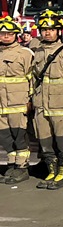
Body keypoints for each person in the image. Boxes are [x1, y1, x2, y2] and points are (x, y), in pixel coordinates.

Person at [31, 10, 63, 189]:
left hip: (62, 104)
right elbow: (32, 78)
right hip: (41, 105)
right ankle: (52, 169)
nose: (47, 32)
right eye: (44, 29)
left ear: (59, 31)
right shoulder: (36, 51)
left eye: (52, 29)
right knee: (44, 139)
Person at [0, 17, 34, 184]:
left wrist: (30, 100)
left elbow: (32, 79)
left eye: (9, 34)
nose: (5, 36)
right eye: (2, 34)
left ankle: (22, 168)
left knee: (19, 135)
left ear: (16, 35)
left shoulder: (25, 54)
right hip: (0, 104)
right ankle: (12, 165)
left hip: (17, 102)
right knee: (5, 137)